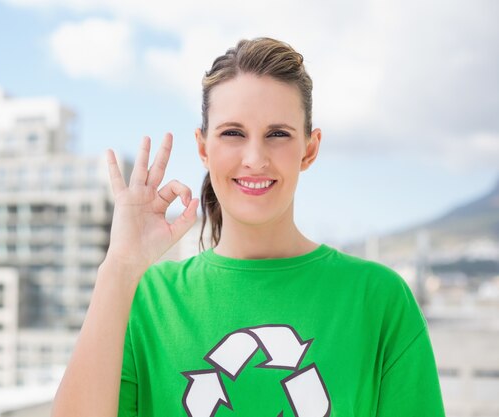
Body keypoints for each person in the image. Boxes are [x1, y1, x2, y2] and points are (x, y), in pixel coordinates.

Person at [51, 37, 445, 417]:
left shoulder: (377, 300)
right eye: (233, 134)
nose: (255, 158)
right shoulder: (147, 301)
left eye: (278, 134)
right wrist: (119, 266)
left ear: (309, 148)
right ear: (203, 147)